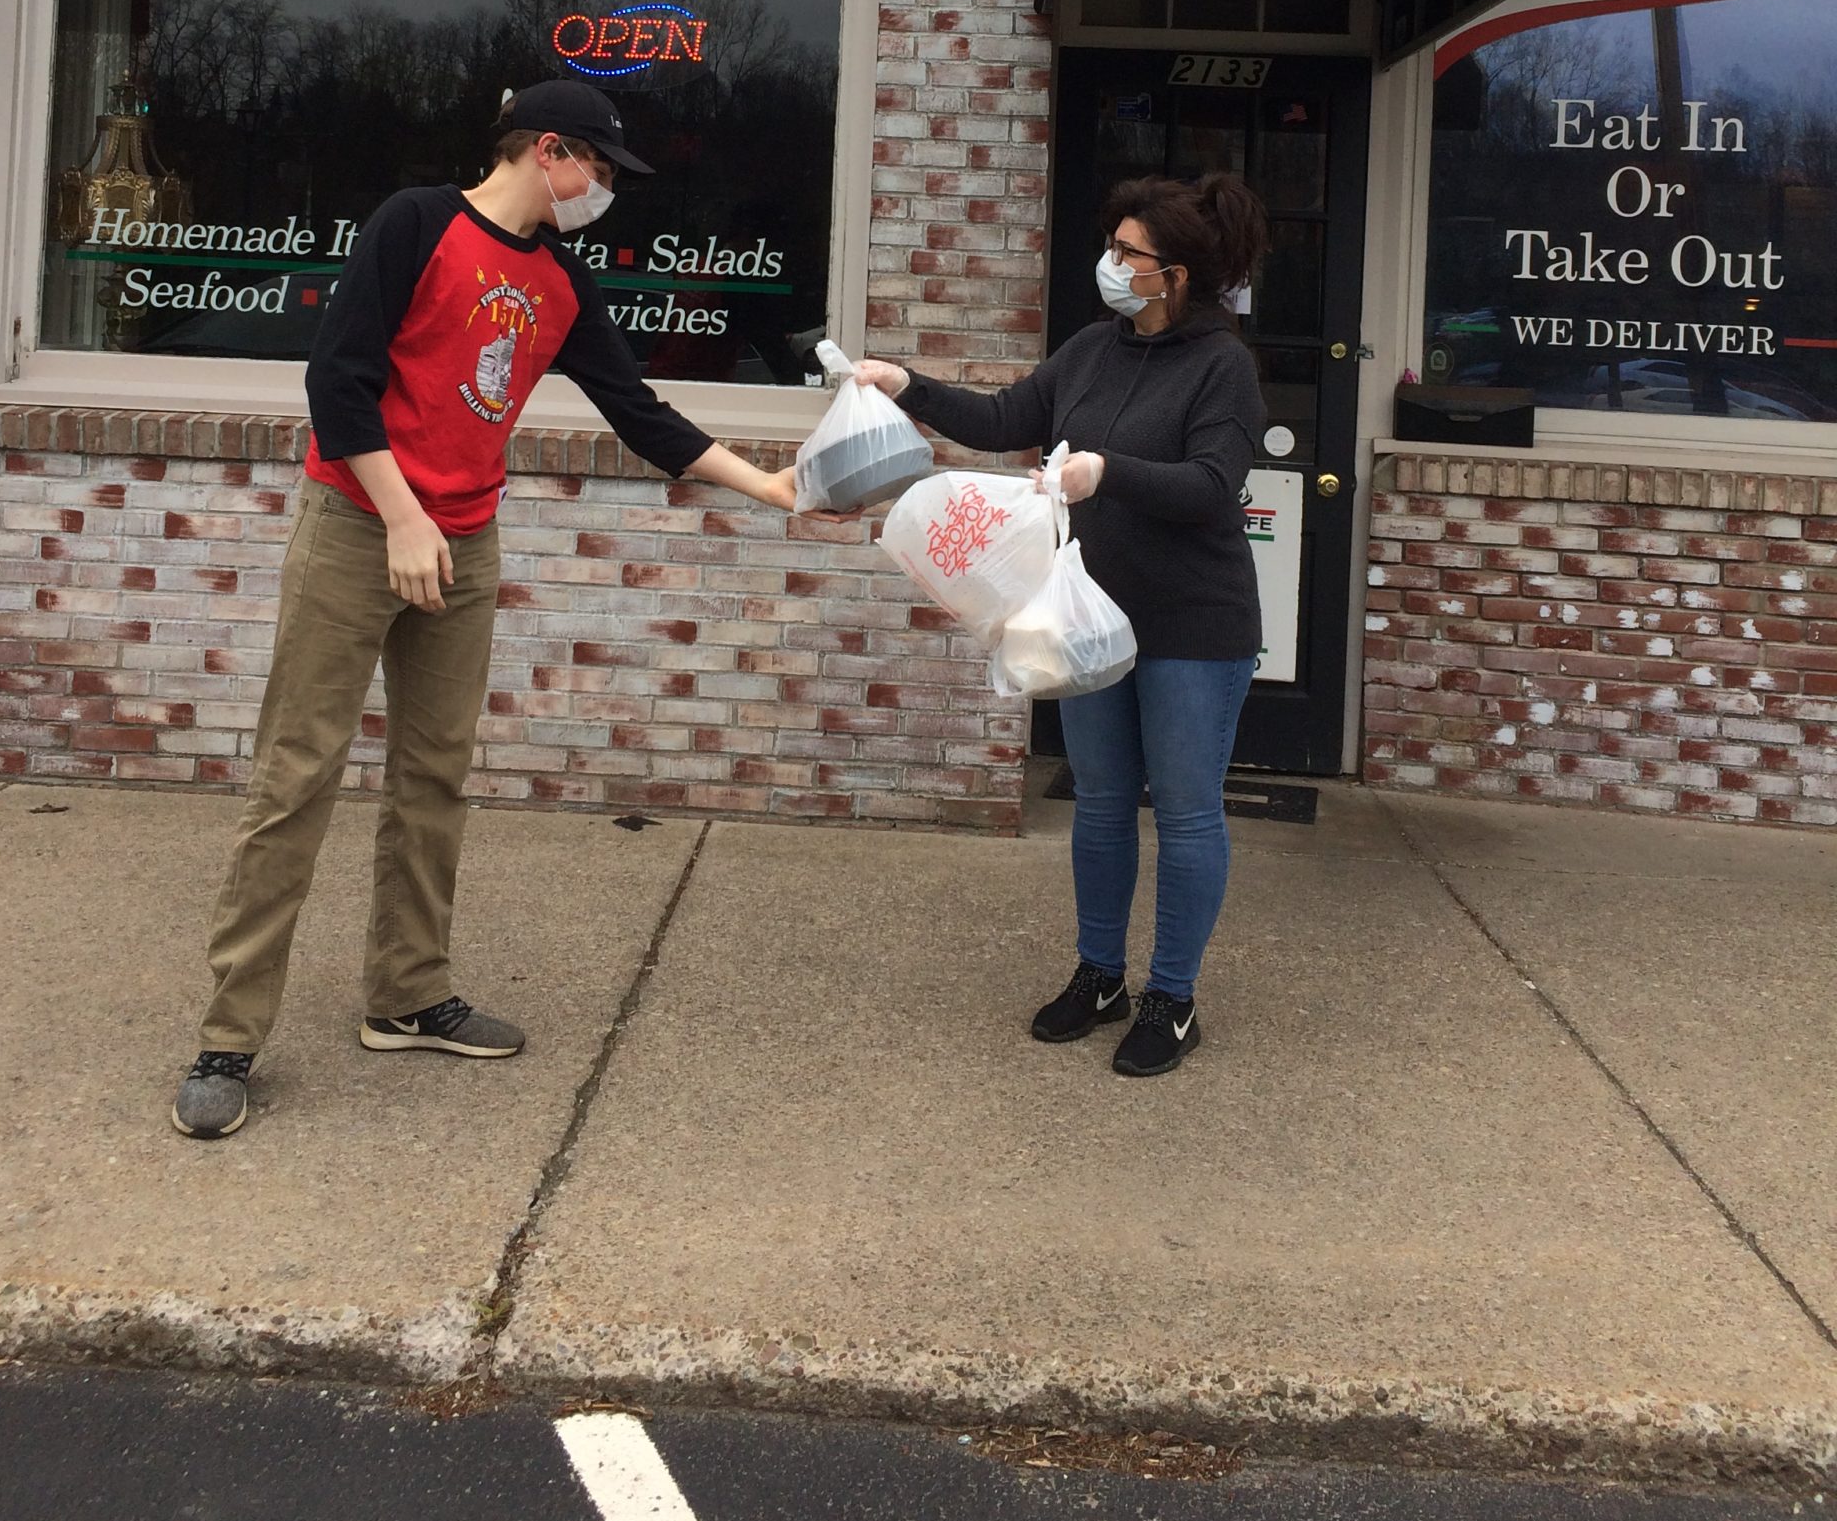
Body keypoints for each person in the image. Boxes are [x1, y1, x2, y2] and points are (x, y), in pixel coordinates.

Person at [171, 78, 798, 1140]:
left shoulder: (559, 278)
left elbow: (638, 411)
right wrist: (405, 517)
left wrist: (771, 487)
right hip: (360, 523)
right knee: (297, 773)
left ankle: (408, 995)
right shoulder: (417, 222)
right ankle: (227, 1039)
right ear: (547, 150)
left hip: (461, 539)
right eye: (597, 167)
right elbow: (338, 380)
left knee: (433, 772)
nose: (603, 189)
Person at [854, 172, 1268, 1078]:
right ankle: (1099, 975)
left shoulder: (1223, 367)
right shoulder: (1090, 349)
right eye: (1114, 247)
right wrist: (906, 384)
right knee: (1102, 805)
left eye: (1130, 254)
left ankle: (1172, 997)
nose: (1112, 265)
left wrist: (1102, 474)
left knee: (1189, 817)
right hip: (1085, 623)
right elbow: (1007, 417)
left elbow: (1209, 487)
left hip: (1193, 626)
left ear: (1178, 275)